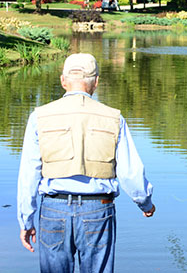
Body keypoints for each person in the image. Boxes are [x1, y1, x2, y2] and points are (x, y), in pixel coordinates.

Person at [17, 53, 155, 273]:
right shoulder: (113, 117)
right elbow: (130, 173)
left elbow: (29, 175)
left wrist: (26, 220)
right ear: (96, 82)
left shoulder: (39, 117)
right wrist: (145, 203)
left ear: (63, 81)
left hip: (53, 209)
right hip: (99, 210)